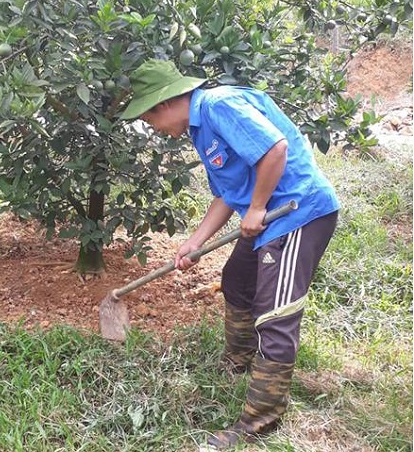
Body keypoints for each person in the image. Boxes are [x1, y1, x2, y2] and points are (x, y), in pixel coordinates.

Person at [120, 59, 339, 450]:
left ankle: (260, 422)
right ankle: (237, 361)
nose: (153, 128)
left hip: (296, 214)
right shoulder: (201, 129)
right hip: (267, 217)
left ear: (163, 103)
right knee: (237, 283)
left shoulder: (220, 105)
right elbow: (225, 193)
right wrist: (196, 241)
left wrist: (256, 209)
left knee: (275, 314)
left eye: (149, 119)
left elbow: (275, 149)